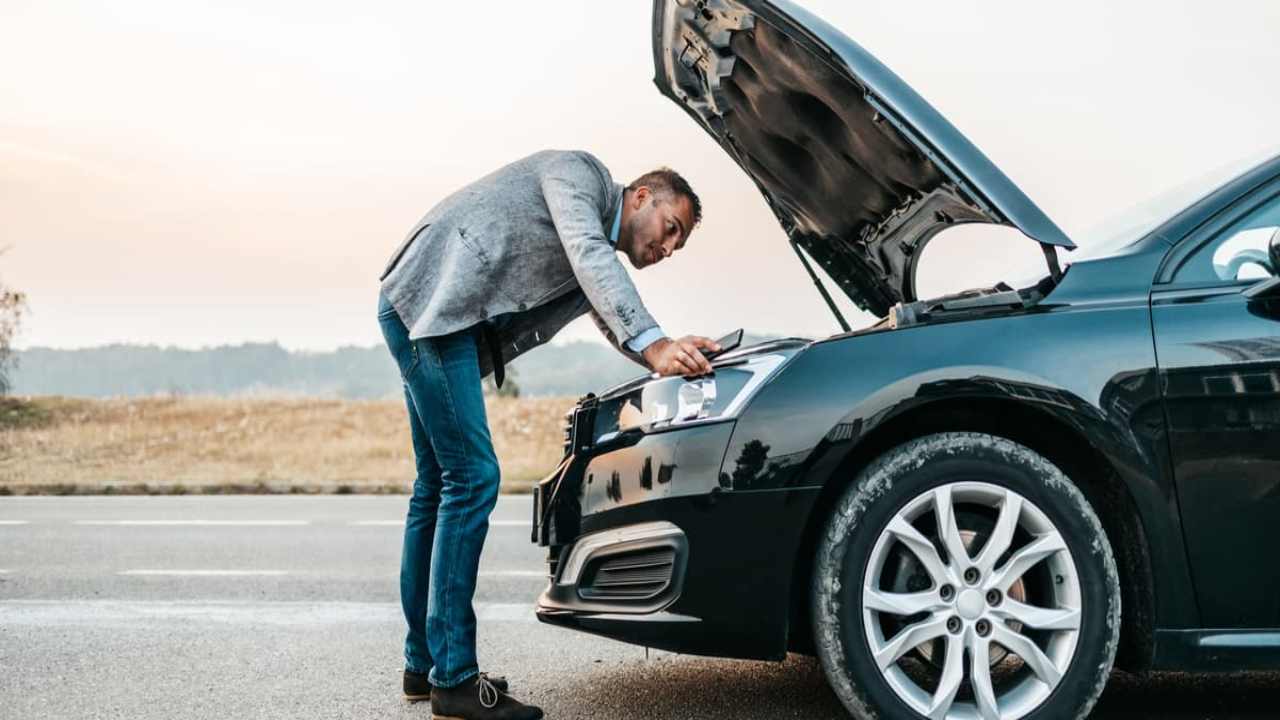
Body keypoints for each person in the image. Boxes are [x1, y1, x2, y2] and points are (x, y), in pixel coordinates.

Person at [375, 149, 721, 720]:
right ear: (641, 196)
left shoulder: (599, 251)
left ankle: (427, 665)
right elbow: (590, 260)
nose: (664, 250)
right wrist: (655, 343)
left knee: (437, 486)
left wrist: (668, 353)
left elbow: (610, 313)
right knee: (472, 478)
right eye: (669, 229)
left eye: (674, 247)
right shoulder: (578, 176)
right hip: (431, 306)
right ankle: (455, 678)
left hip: (429, 310)